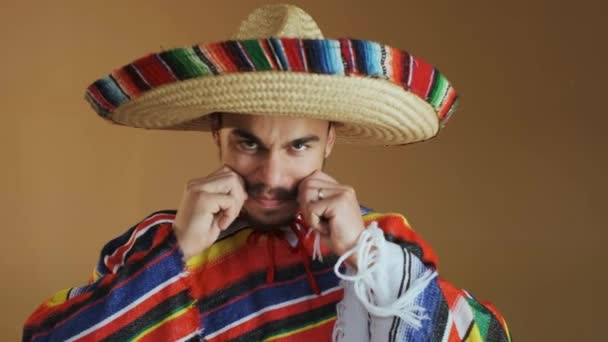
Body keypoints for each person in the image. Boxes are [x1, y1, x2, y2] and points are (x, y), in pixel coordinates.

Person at [23, 4, 511, 341]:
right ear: (217, 134)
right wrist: (177, 253)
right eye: (248, 143)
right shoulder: (154, 245)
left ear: (330, 140)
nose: (272, 175)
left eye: (299, 146)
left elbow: (483, 335)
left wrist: (366, 258)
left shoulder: (379, 244)